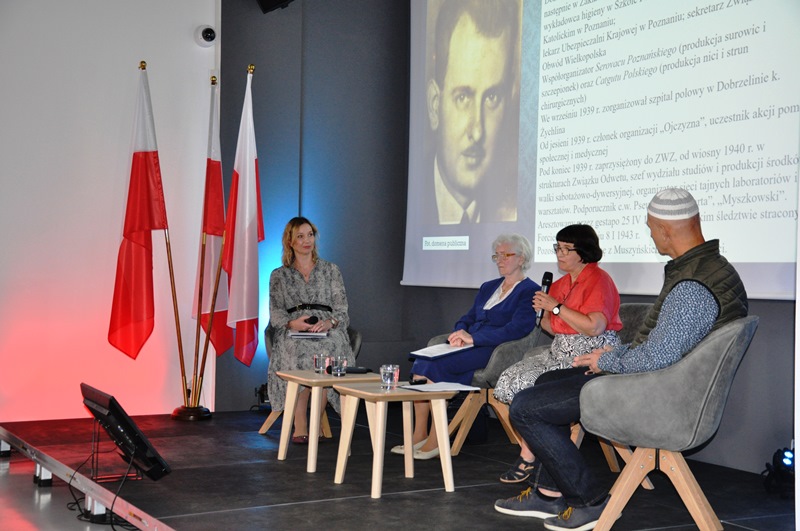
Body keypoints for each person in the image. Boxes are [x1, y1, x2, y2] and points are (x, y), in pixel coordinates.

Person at [494, 188, 748, 531]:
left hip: (659, 394)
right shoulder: (709, 270)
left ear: (665, 230)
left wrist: (608, 361)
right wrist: (614, 353)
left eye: (651, 228)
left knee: (527, 407)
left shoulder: (693, 285)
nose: (651, 235)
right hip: (658, 380)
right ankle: (548, 492)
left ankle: (588, 501)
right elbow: (666, 348)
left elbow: (659, 355)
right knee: (546, 382)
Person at [493, 224, 622, 484]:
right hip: (559, 350)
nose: (559, 254)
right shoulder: (561, 283)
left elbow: (594, 327)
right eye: (557, 248)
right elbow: (553, 327)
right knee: (508, 380)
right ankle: (536, 448)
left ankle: (529, 454)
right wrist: (543, 313)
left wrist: (555, 307)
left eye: (566, 249)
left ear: (583, 251)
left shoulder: (599, 280)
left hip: (590, 354)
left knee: (530, 387)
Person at [395, 233, 539, 460]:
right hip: (472, 344)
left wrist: (474, 339)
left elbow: (517, 329)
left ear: (522, 259)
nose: (500, 260)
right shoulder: (488, 287)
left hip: (494, 350)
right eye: (497, 255)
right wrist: (459, 332)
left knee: (437, 367)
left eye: (506, 255)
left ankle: (436, 439)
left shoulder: (530, 290)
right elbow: (468, 317)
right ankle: (419, 433)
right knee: (421, 362)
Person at [425, 0, 521, 224]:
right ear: (434, 105)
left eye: (492, 97)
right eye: (463, 97)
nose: (477, 131)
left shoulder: (512, 208)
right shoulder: (400, 203)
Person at [267, 217, 355, 444]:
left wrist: (330, 322)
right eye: (300, 236)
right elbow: (275, 313)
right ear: (290, 241)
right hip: (294, 328)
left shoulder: (331, 270)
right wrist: (292, 324)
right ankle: (300, 424)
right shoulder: (279, 275)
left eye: (310, 235)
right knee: (297, 349)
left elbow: (342, 310)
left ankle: (316, 422)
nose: (307, 241)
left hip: (327, 328)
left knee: (327, 349)